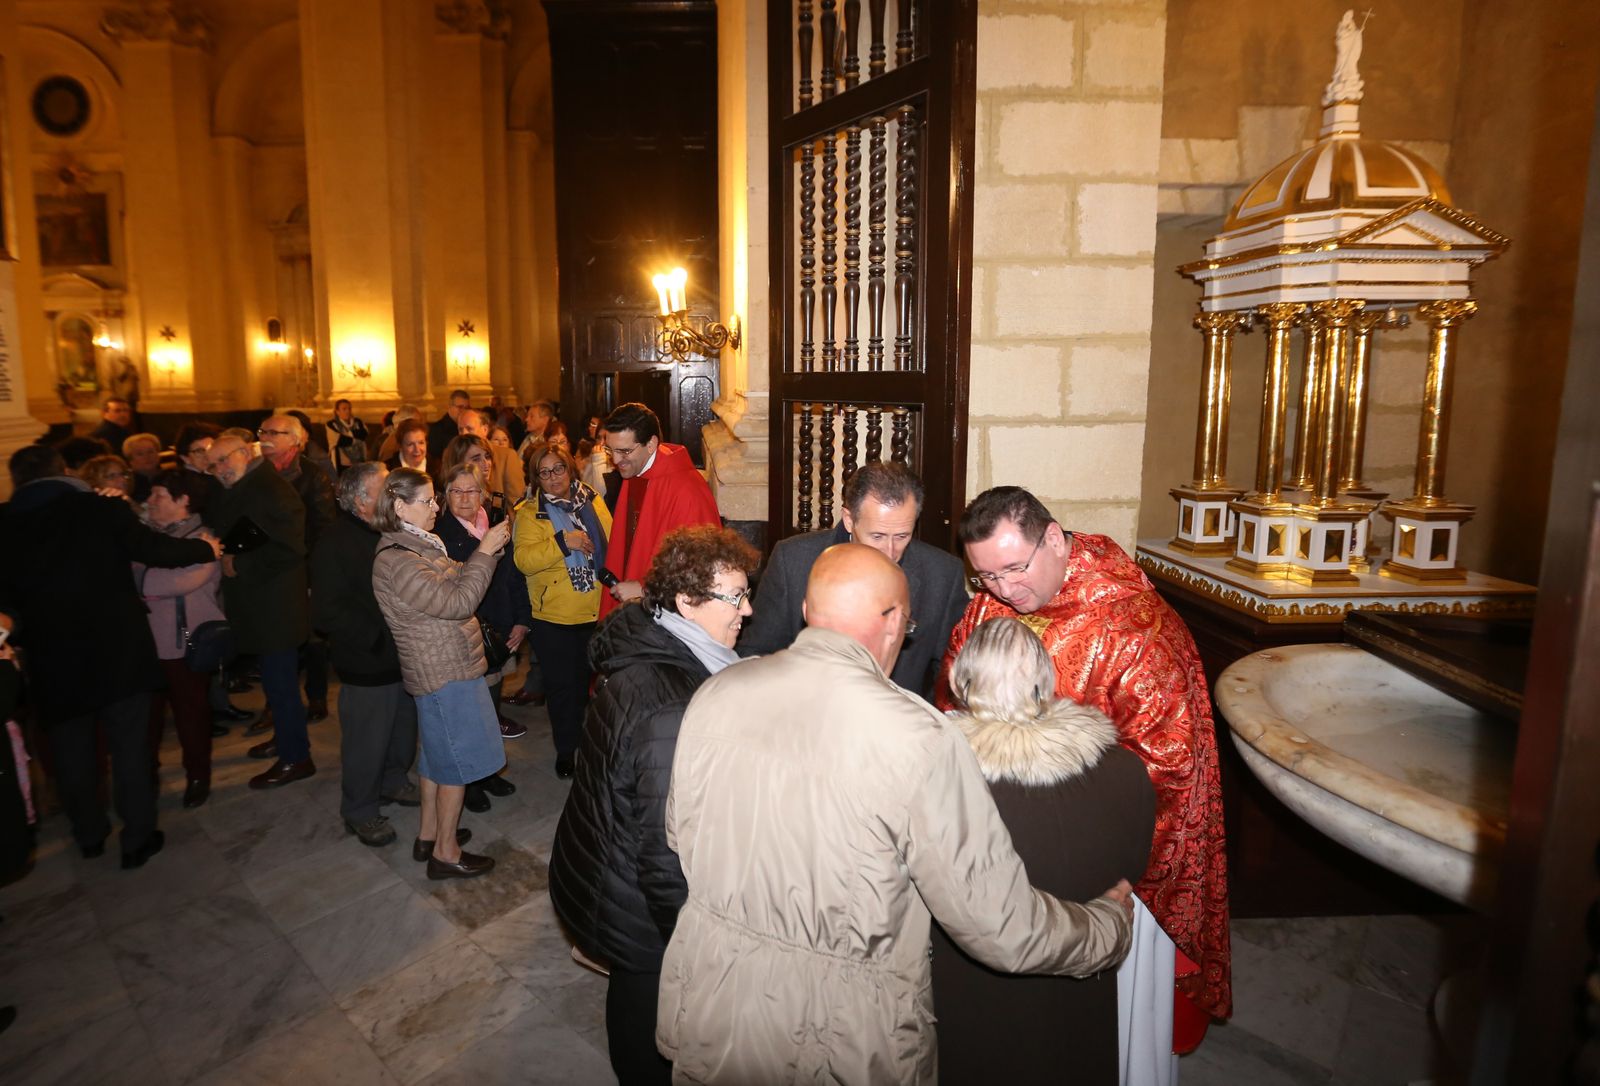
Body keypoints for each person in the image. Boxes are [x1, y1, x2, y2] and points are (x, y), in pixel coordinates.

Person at [657, 543, 1135, 1083]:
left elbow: (680, 834)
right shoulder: (918, 736)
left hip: (714, 1005)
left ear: (810, 614)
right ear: (891, 621)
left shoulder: (718, 691)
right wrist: (1103, 927)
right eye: (906, 629)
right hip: (838, 1035)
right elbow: (999, 927)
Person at [938, 485, 1232, 1027]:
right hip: (993, 857)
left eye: (1014, 568)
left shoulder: (1137, 628)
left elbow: (1169, 765)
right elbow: (952, 695)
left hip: (1096, 872)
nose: (1004, 590)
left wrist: (1087, 849)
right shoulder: (992, 603)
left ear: (1052, 538)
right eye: (987, 576)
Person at [549, 524, 758, 1084]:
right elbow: (667, 849)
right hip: (634, 903)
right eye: (735, 597)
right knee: (645, 1016)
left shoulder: (654, 643)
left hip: (605, 869)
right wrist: (690, 936)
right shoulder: (673, 703)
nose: (748, 609)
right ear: (687, 601)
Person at [932, 616, 1156, 1084]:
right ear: (1047, 683)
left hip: (973, 997)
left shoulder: (939, 784)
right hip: (1079, 986)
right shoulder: (1124, 772)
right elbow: (1131, 872)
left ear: (961, 684)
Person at [0, 444, 219, 868]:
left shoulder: (4, 523)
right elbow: (154, 550)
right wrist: (206, 549)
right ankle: (137, 838)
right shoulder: (100, 508)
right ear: (63, 469)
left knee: (72, 753)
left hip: (54, 657)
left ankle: (89, 835)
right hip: (118, 650)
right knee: (130, 749)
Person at [371, 467, 510, 880]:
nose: (436, 506)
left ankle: (429, 834)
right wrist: (484, 551)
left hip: (444, 665)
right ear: (399, 507)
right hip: (444, 672)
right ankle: (446, 854)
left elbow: (453, 587)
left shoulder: (416, 545)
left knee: (435, 756)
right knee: (457, 764)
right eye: (428, 500)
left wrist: (482, 556)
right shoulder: (399, 560)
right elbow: (459, 603)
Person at [738, 461, 968, 700]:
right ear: (849, 519)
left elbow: (952, 674)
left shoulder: (942, 574)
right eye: (877, 536)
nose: (890, 551)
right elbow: (754, 655)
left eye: (902, 536)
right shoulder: (794, 561)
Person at [311, 463, 419, 848]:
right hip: (367, 661)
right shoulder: (335, 543)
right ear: (360, 500)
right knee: (366, 741)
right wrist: (375, 639)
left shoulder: (388, 532)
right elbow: (326, 611)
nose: (392, 495)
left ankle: (393, 782)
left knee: (402, 731)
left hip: (401, 655)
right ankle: (359, 810)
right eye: (384, 489)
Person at [204, 433, 316, 789]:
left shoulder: (270, 488)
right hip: (261, 607)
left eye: (224, 460)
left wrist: (240, 565)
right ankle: (285, 740)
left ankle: (296, 758)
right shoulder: (247, 484)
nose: (219, 469)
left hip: (276, 607)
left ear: (244, 453)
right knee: (274, 684)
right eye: (213, 464)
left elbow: (291, 548)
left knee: (281, 685)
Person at [512, 441, 613, 778]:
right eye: (544, 473)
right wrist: (562, 541)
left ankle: (590, 744)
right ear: (536, 478)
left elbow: (610, 543)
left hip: (596, 608)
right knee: (562, 689)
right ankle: (566, 750)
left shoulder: (592, 499)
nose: (553, 478)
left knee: (590, 685)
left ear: (570, 468)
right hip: (554, 616)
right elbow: (524, 561)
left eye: (558, 469)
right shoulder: (529, 512)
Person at [432, 463, 528, 805]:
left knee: (491, 710)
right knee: (469, 714)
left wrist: (522, 619)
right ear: (445, 497)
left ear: (484, 495)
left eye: (471, 490)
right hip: (469, 634)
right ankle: (469, 783)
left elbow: (514, 576)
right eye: (456, 491)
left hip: (501, 630)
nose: (464, 498)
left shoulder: (495, 527)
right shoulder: (442, 536)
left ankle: (487, 772)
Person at [139, 470, 227, 810]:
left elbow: (164, 584)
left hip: (184, 645)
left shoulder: (206, 540)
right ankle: (145, 778)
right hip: (146, 647)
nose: (150, 501)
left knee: (192, 716)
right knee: (146, 722)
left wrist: (142, 578)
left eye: (159, 495)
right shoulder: (145, 538)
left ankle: (197, 777)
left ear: (183, 501)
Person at [597, 402, 720, 619]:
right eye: (610, 450)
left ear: (651, 444)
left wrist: (646, 589)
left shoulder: (688, 491)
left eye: (624, 451)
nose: (616, 461)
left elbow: (700, 568)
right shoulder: (635, 472)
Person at [259, 414, 337, 722]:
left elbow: (323, 526)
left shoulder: (312, 475)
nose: (265, 437)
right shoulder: (256, 473)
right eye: (262, 431)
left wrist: (313, 574)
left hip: (302, 566)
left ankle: (316, 695)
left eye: (273, 432)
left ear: (294, 440)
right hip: (266, 569)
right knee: (271, 639)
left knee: (311, 638)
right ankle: (274, 701)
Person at [446, 421, 525, 517]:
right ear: (458, 463)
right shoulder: (454, 501)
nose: (486, 463)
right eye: (476, 459)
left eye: (487, 457)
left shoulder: (489, 497)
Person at [427, 388, 471, 463]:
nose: (463, 411)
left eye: (466, 408)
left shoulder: (470, 428)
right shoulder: (436, 430)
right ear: (450, 406)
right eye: (460, 407)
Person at [328, 398, 371, 473]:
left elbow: (364, 433)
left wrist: (348, 434)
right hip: (341, 462)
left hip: (359, 459)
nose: (348, 411)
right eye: (344, 409)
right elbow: (340, 440)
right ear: (337, 411)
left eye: (349, 408)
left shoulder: (358, 421)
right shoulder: (332, 424)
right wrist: (356, 438)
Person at [121, 433, 162, 503]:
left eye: (151, 451)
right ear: (130, 460)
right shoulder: (127, 484)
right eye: (140, 454)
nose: (147, 457)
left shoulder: (171, 477)